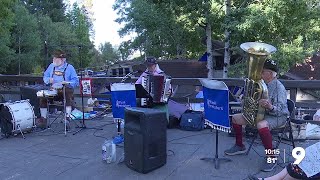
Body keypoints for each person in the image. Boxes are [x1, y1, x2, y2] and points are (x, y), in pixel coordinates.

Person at [224, 59, 289, 172]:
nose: (260, 74)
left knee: (261, 125)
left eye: (262, 71)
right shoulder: (261, 84)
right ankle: (240, 145)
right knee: (235, 118)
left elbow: (282, 111)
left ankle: (271, 157)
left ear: (270, 73)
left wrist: (270, 107)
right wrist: (245, 100)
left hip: (277, 117)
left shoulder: (279, 88)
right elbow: (253, 102)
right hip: (262, 113)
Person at [38, 49, 79, 127]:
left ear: (63, 59)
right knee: (42, 96)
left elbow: (75, 81)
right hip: (53, 91)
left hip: (64, 91)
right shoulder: (51, 66)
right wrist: (48, 80)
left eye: (56, 58)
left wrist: (67, 83)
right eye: (54, 58)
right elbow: (45, 76)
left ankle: (67, 117)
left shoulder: (70, 68)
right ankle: (43, 119)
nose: (54, 60)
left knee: (67, 92)